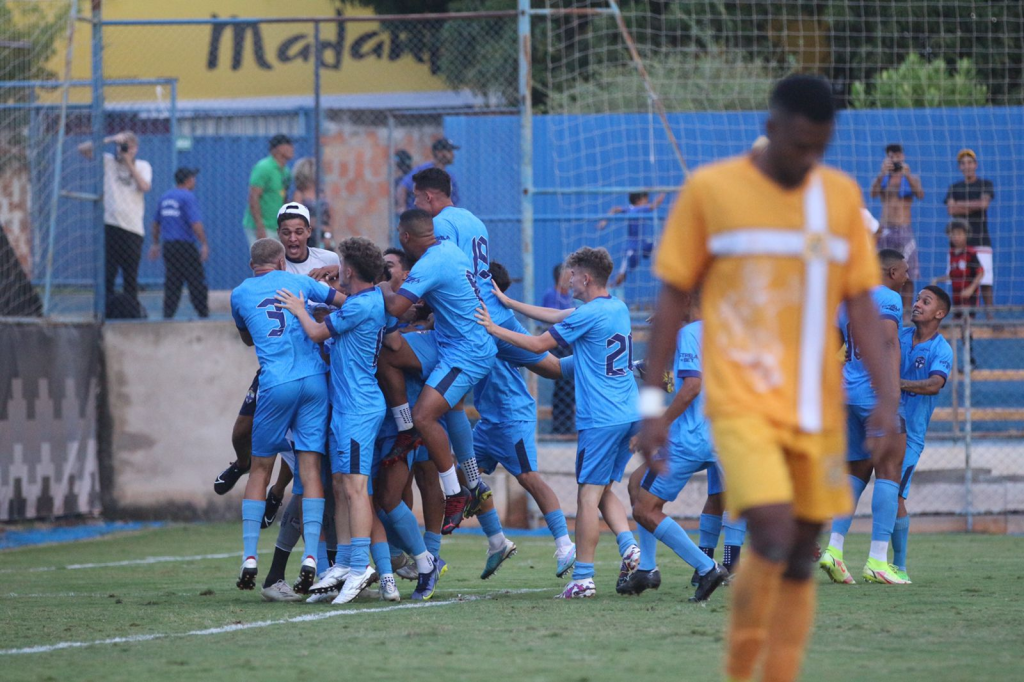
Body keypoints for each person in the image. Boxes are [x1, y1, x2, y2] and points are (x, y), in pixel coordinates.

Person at [637, 75, 899, 682]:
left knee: (803, 551)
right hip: (740, 404)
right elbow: (671, 301)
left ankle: (778, 670)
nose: (809, 159)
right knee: (775, 531)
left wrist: (887, 402)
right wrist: (653, 406)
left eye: (821, 148)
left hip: (818, 407)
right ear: (772, 126)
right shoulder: (712, 191)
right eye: (800, 145)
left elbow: (861, 303)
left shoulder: (836, 197)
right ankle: (741, 666)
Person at [475, 246, 640, 600]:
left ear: (586, 277)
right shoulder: (615, 307)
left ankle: (582, 577)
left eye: (572, 274)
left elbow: (537, 344)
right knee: (605, 489)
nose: (567, 280)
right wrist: (510, 303)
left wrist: (494, 328)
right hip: (628, 415)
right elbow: (556, 315)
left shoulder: (587, 315)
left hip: (602, 419)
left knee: (586, 497)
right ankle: (629, 547)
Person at [276, 237, 389, 604]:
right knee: (340, 485)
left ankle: (360, 566)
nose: (336, 270)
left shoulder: (363, 305)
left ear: (350, 270)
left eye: (341, 265)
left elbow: (315, 331)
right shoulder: (359, 303)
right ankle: (343, 562)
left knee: (355, 487)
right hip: (345, 408)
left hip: (359, 409)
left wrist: (298, 307)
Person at [376, 208, 497, 535]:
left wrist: (377, 286)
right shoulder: (449, 250)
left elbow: (395, 308)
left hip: (466, 352)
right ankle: (407, 431)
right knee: (389, 353)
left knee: (425, 416)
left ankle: (456, 492)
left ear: (405, 237)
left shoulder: (432, 262)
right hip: (446, 340)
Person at [230, 238, 338, 595]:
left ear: (252, 266)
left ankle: (249, 557)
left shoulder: (239, 293)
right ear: (280, 263)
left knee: (261, 467)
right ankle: (310, 556)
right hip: (314, 382)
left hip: (276, 383)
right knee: (309, 468)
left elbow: (247, 338)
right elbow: (346, 304)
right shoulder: (300, 281)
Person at [620, 293, 730, 601]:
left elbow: (691, 387)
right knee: (635, 482)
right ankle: (647, 569)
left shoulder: (690, 334)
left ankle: (708, 568)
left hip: (692, 438)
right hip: (720, 435)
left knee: (645, 509)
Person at [472, 261, 576, 580]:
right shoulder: (473, 317)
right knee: (463, 473)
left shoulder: (502, 324)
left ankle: (565, 545)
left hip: (510, 416)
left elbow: (551, 364)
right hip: (487, 421)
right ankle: (497, 542)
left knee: (529, 478)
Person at [820, 249, 910, 585]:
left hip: (848, 394)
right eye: (903, 270)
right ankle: (877, 560)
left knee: (856, 471)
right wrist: (891, 395)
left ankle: (834, 550)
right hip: (876, 394)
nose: (907, 275)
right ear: (889, 272)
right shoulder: (887, 297)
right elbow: (887, 342)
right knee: (889, 472)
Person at [893, 286, 953, 582]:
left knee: (895, 498)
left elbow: (934, 385)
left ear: (939, 313)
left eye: (925, 301)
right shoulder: (900, 335)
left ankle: (899, 567)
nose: (916, 304)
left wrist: (898, 383)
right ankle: (834, 551)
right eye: (917, 299)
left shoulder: (942, 349)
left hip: (910, 436)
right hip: (879, 425)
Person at [77, 131, 153, 308]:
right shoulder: (109, 162)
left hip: (133, 228)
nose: (124, 149)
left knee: (130, 275)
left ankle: (131, 310)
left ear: (135, 149)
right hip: (111, 225)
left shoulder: (142, 166)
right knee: (108, 273)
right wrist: (110, 139)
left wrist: (128, 161)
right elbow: (83, 150)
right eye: (122, 146)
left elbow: (144, 186)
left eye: (128, 146)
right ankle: (107, 309)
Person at [870, 143, 924, 319]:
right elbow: (873, 193)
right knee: (881, 270)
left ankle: (908, 313)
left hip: (904, 230)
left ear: (902, 156)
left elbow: (920, 194)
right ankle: (882, 308)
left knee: (909, 271)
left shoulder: (910, 177)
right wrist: (881, 174)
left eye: (897, 155)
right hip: (885, 229)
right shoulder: (884, 178)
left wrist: (907, 174)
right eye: (890, 156)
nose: (894, 159)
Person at [149, 167, 209, 319]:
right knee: (196, 280)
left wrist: (156, 243)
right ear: (188, 180)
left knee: (172, 281)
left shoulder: (165, 197)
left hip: (169, 245)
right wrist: (204, 243)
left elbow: (156, 223)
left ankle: (168, 314)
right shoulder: (187, 197)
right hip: (185, 245)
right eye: (193, 178)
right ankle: (203, 312)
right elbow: (195, 223)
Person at [945, 148, 995, 312]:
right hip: (958, 243)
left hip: (981, 240)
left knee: (986, 280)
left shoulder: (985, 184)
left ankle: (990, 319)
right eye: (963, 163)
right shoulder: (954, 187)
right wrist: (973, 205)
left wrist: (961, 206)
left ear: (976, 165)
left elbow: (984, 204)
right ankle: (957, 316)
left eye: (969, 162)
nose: (966, 166)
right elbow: (951, 210)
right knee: (957, 279)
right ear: (960, 167)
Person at [596, 191, 667, 287]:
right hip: (632, 247)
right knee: (623, 273)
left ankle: (665, 270)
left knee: (660, 245)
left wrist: (604, 221)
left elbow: (614, 209)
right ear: (638, 201)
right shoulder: (638, 210)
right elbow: (653, 206)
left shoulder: (630, 209)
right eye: (646, 199)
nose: (648, 201)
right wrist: (664, 193)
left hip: (643, 243)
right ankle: (611, 285)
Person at [542, 264, 576, 435]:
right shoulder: (551, 295)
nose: (570, 279)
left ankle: (568, 426)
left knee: (571, 388)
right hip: (559, 344)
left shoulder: (569, 297)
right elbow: (554, 322)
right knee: (563, 386)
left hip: (571, 345)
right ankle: (560, 427)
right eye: (567, 275)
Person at [243, 134, 294, 244]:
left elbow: (284, 197)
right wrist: (260, 227)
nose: (292, 148)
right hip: (263, 226)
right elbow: (253, 197)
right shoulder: (264, 167)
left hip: (277, 226)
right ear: (278, 148)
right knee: (264, 259)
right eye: (288, 145)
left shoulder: (285, 171)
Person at [395, 138, 460, 213]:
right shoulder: (423, 170)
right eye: (449, 151)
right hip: (418, 216)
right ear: (439, 153)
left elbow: (454, 201)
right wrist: (402, 207)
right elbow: (403, 187)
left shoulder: (450, 176)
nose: (453, 154)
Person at [934, 219, 984, 312]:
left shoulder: (970, 253)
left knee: (967, 320)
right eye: (953, 234)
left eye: (959, 234)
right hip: (957, 295)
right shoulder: (952, 253)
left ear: (966, 235)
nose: (956, 237)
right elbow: (953, 275)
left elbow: (980, 272)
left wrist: (970, 289)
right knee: (957, 319)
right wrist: (937, 280)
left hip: (969, 296)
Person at [290, 158, 332, 250]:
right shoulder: (299, 195)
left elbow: (330, 217)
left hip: (325, 233)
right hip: (308, 235)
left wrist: (327, 234)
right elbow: (298, 218)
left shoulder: (322, 193)